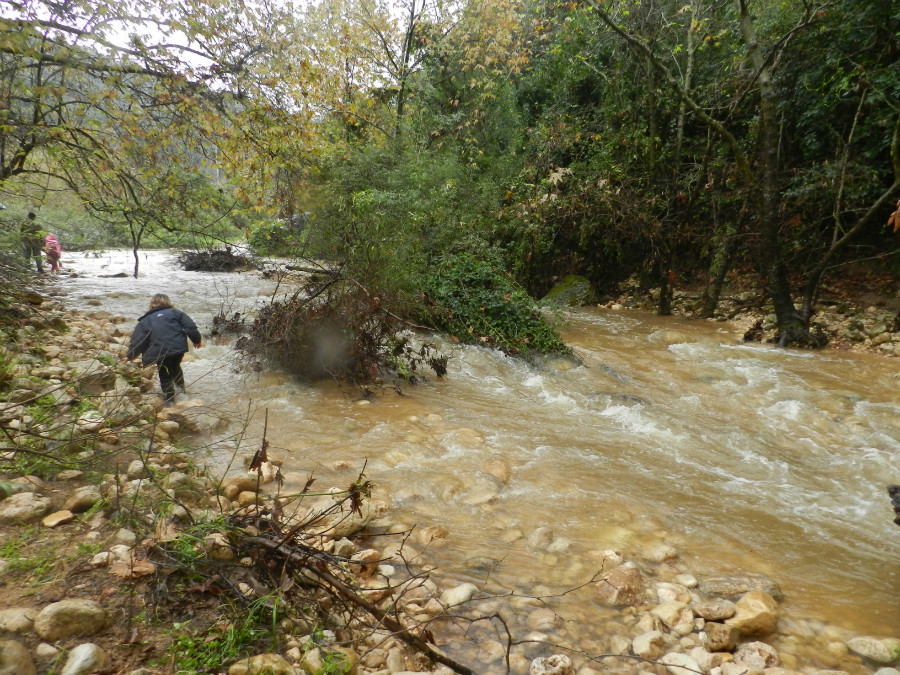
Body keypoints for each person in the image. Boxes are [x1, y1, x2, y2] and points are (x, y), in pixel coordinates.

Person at [124, 294, 202, 406]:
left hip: (160, 350)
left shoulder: (146, 320)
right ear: (168, 302)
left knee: (165, 373)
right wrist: (196, 340)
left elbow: (139, 339)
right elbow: (190, 327)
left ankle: (170, 400)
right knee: (175, 366)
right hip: (178, 347)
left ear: (152, 304)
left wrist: (130, 355)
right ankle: (182, 391)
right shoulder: (176, 312)